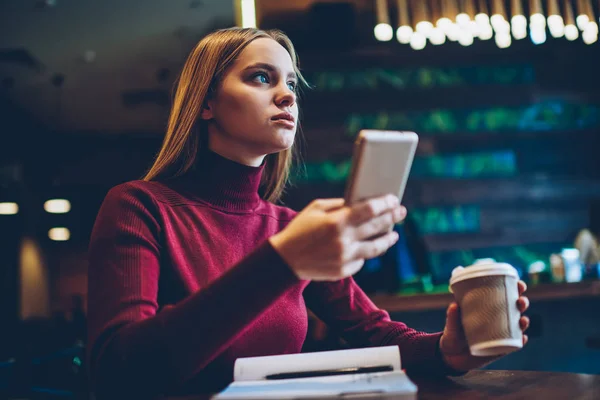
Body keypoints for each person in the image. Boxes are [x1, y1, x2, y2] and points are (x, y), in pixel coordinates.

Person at [87, 27, 530, 399]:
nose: (286, 95)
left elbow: (375, 333)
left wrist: (447, 350)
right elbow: (122, 374)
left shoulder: (289, 228)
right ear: (206, 103)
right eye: (261, 78)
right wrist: (283, 261)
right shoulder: (138, 206)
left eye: (291, 84)